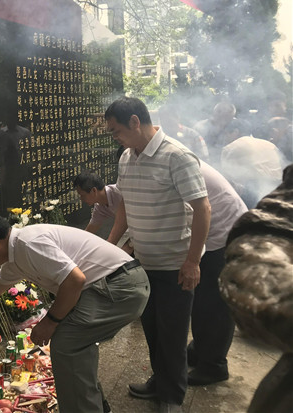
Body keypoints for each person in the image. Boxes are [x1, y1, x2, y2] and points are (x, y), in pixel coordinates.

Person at [0, 214, 150, 413]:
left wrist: (49, 322)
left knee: (66, 343)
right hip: (111, 286)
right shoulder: (16, 255)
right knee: (77, 347)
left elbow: (75, 280)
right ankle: (97, 406)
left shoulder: (29, 243)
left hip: (119, 286)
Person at [105, 96, 211, 413]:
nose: (114, 138)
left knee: (173, 334)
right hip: (143, 263)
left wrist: (192, 261)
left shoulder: (177, 156)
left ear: (135, 122)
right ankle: (160, 381)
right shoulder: (127, 158)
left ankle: (172, 397)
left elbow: (202, 208)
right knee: (151, 329)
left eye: (116, 131)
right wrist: (110, 246)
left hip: (175, 265)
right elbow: (124, 205)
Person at [187, 161, 247, 386]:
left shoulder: (173, 165)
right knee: (202, 300)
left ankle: (214, 366)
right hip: (215, 233)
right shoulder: (171, 159)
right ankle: (201, 350)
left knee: (215, 304)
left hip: (227, 234)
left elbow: (190, 216)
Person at [73, 170, 131, 252]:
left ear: (94, 191)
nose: (81, 199)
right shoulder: (99, 207)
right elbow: (90, 231)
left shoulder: (119, 194)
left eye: (82, 195)